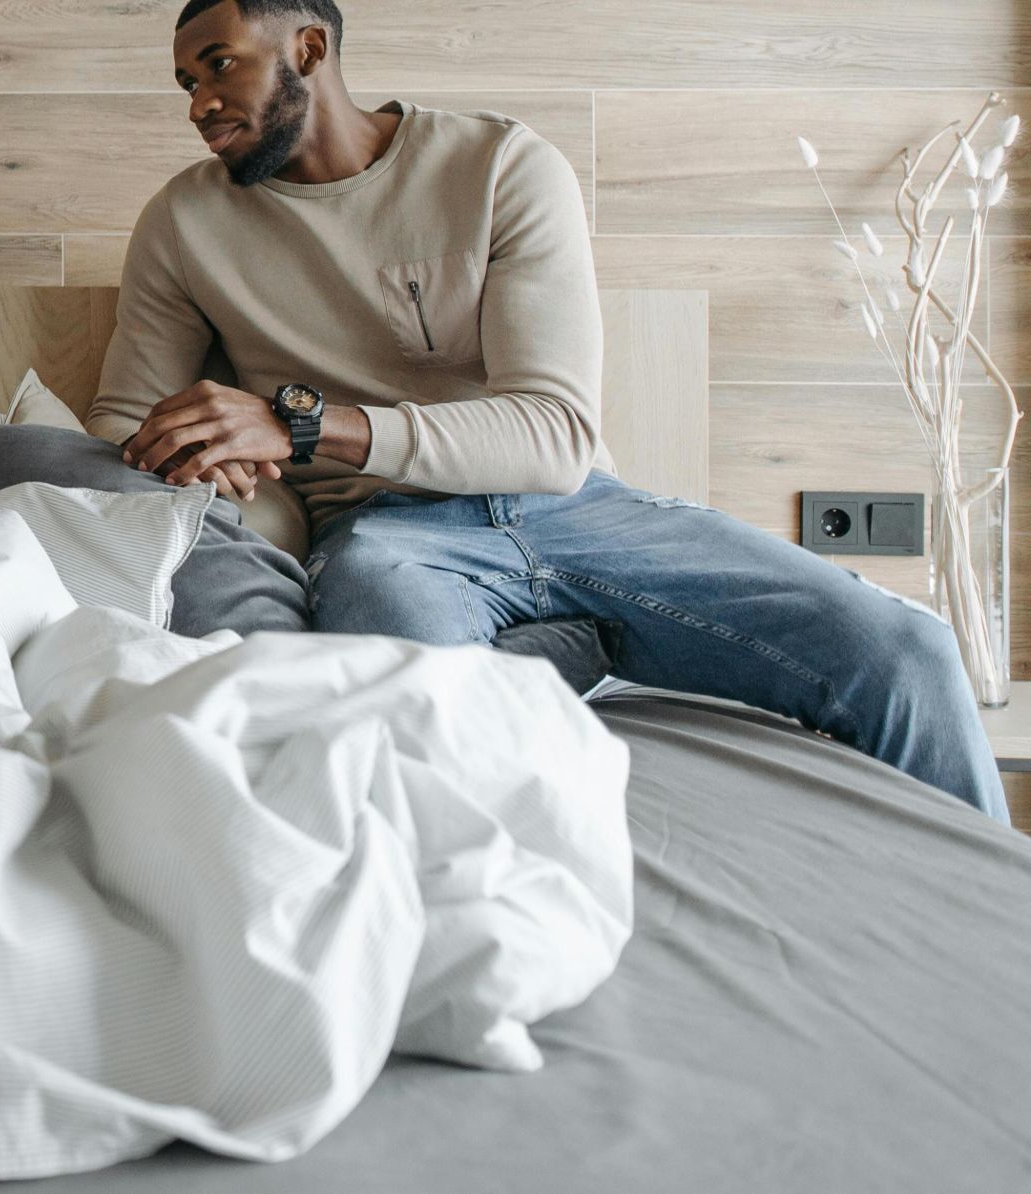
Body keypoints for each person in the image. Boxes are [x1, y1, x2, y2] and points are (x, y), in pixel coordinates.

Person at [83, 0, 1010, 823]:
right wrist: (200, 457)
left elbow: (554, 434)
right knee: (418, 722)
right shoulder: (182, 222)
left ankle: (1000, 960)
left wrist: (301, 420)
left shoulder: (498, 166)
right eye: (183, 83)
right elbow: (117, 428)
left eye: (219, 64)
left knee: (909, 654)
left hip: (582, 513)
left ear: (311, 48)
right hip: (387, 537)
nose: (198, 102)